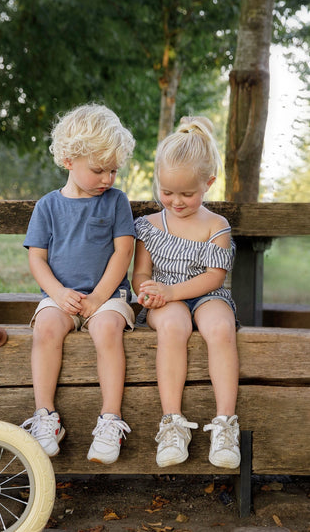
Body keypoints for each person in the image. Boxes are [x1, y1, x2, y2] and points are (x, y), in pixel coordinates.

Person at [21, 103, 136, 465]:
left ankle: (110, 419)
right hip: (61, 296)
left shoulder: (116, 202)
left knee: (106, 331)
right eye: (99, 170)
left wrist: (99, 298)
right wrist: (57, 293)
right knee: (46, 328)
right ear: (69, 159)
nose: (108, 179)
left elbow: (123, 253)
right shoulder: (48, 206)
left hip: (109, 297)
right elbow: (37, 258)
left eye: (114, 170)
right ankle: (45, 417)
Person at [132, 116, 241, 469]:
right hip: (165, 300)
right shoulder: (150, 226)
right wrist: (147, 292)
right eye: (167, 192)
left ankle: (226, 424)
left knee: (220, 329)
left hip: (205, 293)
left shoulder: (216, 225)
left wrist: (172, 290)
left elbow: (214, 277)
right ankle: (172, 423)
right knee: (174, 327)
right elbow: (142, 273)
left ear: (208, 183)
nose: (176, 201)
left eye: (187, 194)